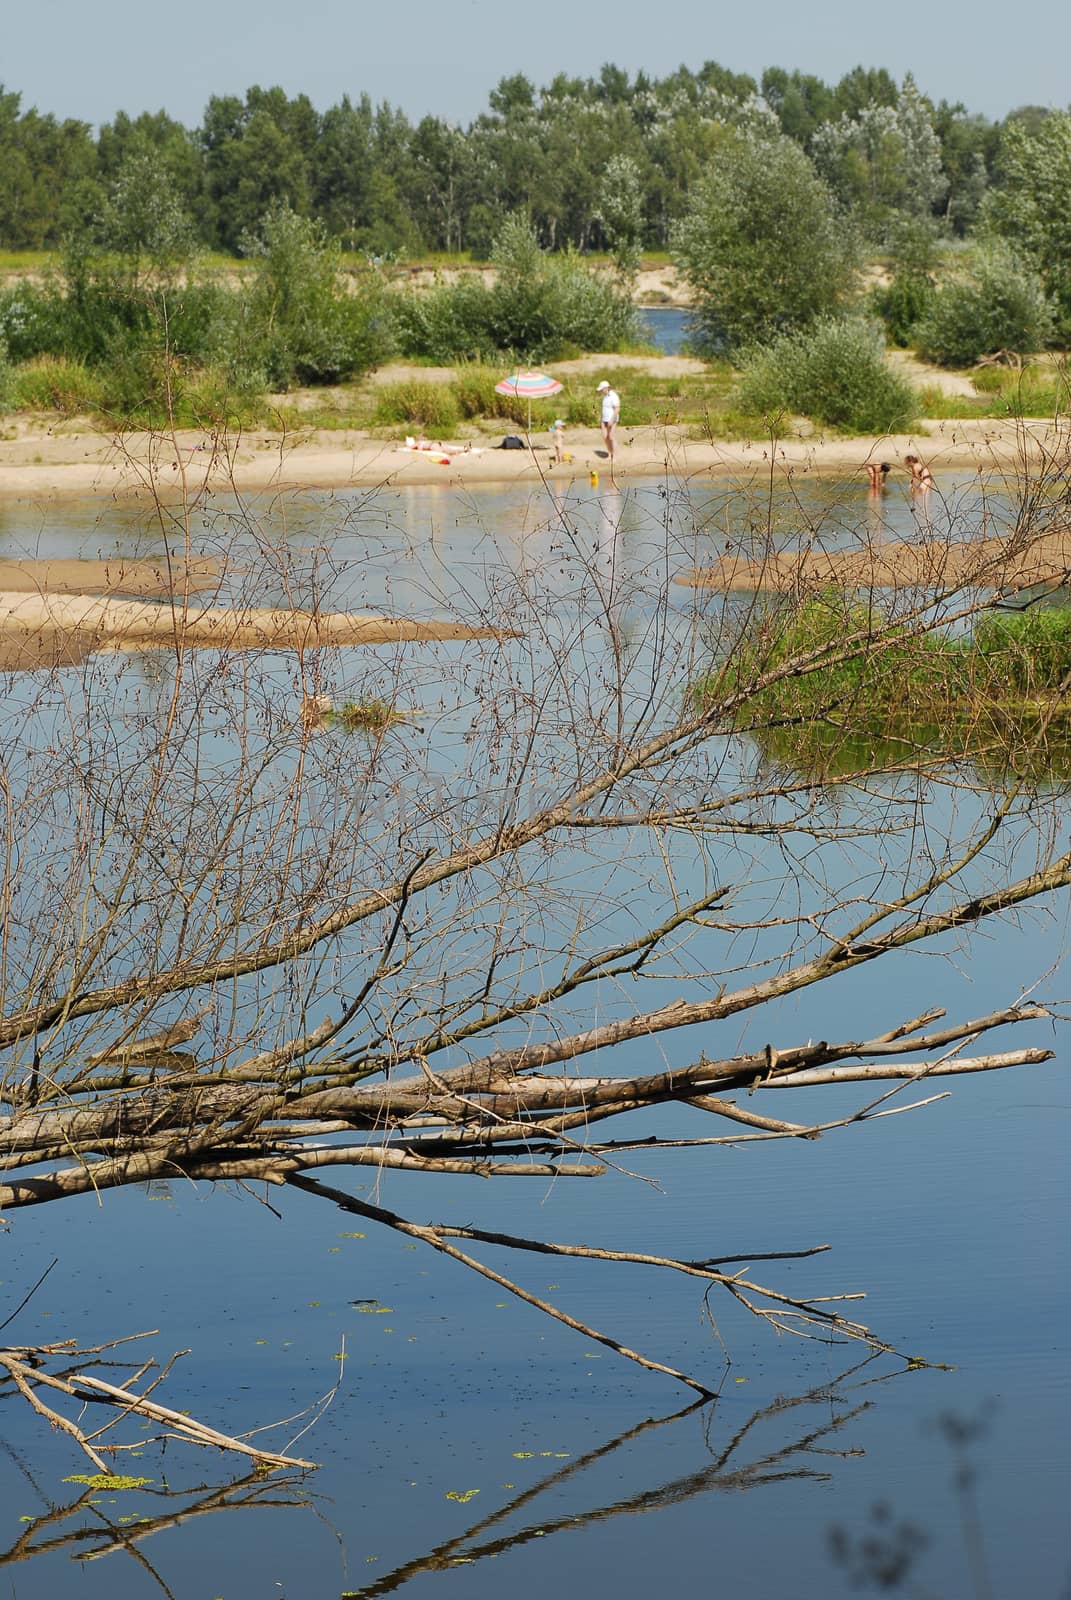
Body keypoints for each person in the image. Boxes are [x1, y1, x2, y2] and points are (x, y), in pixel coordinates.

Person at [597, 380, 620, 468]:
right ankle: (610, 454)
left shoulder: (614, 396)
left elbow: (617, 409)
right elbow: (604, 409)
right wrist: (601, 420)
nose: (601, 391)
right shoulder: (604, 396)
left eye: (602, 389)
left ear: (606, 388)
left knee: (611, 437)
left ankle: (615, 456)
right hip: (604, 419)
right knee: (605, 437)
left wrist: (611, 420)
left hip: (612, 419)